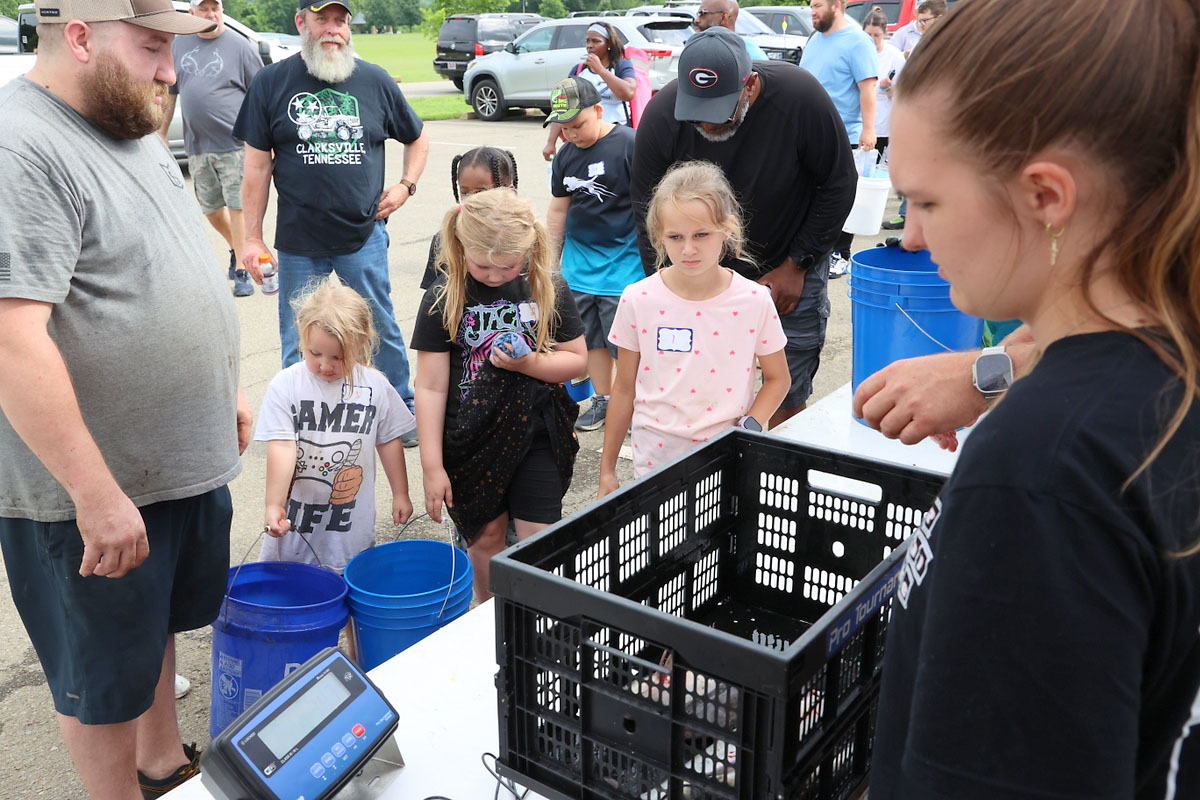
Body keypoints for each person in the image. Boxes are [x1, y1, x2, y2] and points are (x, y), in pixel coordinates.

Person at [868, 1, 1200, 797]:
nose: (912, 236)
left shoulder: (1042, 471)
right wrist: (991, 375)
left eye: (929, 202)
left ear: (1046, 196)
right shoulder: (1166, 362)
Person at [0, 1, 254, 798]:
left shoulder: (126, 119)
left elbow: (161, 261)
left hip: (169, 468)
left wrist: (225, 387)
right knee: (99, 676)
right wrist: (95, 493)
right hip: (91, 493)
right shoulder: (21, 146)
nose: (170, 69)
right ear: (79, 36)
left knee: (151, 639)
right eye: (151, 47)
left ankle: (160, 764)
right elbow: (12, 339)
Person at [631, 27, 858, 428]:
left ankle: (777, 464)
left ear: (750, 85)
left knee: (785, 384)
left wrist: (798, 264)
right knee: (698, 382)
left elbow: (838, 183)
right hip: (696, 269)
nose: (707, 123)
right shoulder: (662, 114)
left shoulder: (799, 97)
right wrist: (668, 284)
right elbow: (646, 208)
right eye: (697, 110)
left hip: (786, 266)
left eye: (719, 110)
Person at [235, 0, 429, 446]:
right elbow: (256, 169)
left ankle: (401, 406)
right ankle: (300, 415)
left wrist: (405, 186)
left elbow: (417, 137)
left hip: (363, 234)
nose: (333, 28)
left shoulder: (374, 80)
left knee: (377, 322)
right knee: (297, 331)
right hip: (299, 240)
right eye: (322, 18)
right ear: (301, 22)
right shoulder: (271, 82)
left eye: (340, 20)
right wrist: (250, 236)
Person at [411, 190, 587, 602]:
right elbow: (431, 385)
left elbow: (577, 360)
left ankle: (537, 620)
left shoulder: (546, 287)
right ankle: (490, 619)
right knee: (486, 534)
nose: (493, 275)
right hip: (468, 440)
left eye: (508, 266)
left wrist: (530, 365)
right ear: (459, 246)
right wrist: (431, 466)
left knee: (539, 537)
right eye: (482, 265)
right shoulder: (443, 295)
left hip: (536, 433)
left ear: (529, 249)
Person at [599, 161, 789, 495]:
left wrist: (751, 426)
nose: (688, 249)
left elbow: (778, 378)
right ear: (660, 236)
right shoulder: (637, 300)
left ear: (727, 228)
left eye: (701, 234)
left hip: (727, 459)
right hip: (654, 463)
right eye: (676, 236)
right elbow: (624, 388)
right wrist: (608, 471)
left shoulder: (755, 300)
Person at [257, 274, 414, 572]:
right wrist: (273, 503)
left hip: (349, 524)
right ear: (301, 332)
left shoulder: (374, 387)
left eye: (338, 357)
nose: (325, 365)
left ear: (362, 342)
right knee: (291, 589)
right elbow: (281, 445)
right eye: (315, 353)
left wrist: (401, 493)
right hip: (295, 522)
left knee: (346, 595)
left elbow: (389, 440)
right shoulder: (286, 385)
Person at [544, 77, 644, 433]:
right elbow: (558, 211)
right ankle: (604, 399)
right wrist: (551, 263)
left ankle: (632, 403)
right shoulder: (566, 155)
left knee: (626, 344)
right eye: (564, 127)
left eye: (578, 125)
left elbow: (650, 207)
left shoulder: (630, 144)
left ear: (599, 110)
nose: (571, 134)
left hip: (624, 268)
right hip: (579, 269)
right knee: (593, 340)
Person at [158, 0, 261, 297]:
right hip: (197, 144)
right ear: (192, 14)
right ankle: (236, 247)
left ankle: (242, 269)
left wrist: (264, 141)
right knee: (212, 209)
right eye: (204, 9)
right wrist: (161, 133)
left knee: (237, 207)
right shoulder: (180, 45)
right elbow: (170, 92)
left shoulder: (240, 47)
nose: (211, 14)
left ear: (222, 10)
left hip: (235, 145)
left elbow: (259, 95)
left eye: (215, 8)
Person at [800, 0, 878, 277]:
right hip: (809, 132)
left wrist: (868, 130)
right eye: (811, 5)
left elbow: (867, 87)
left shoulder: (858, 41)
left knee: (840, 196)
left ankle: (841, 254)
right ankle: (817, 250)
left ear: (837, 5)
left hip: (843, 133)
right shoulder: (815, 39)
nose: (812, 11)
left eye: (818, 5)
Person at [881, 0, 947, 231]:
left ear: (938, 19)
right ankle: (907, 214)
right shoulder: (916, 40)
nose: (919, 25)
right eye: (918, 20)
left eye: (924, 21)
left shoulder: (949, 44)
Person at [419, 146, 519, 291]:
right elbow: (433, 297)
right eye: (465, 192)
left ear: (508, 191)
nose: (471, 200)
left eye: (480, 192)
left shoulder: (522, 238)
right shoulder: (446, 239)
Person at [542, 21, 635, 160]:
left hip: (615, 134)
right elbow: (563, 107)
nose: (589, 46)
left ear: (609, 44)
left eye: (596, 41)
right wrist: (551, 142)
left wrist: (601, 71)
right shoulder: (579, 70)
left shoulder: (621, 65)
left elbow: (628, 93)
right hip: (585, 138)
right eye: (587, 41)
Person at [863, 7, 904, 164]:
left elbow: (901, 95)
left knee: (872, 163)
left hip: (882, 121)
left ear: (885, 33)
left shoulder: (895, 56)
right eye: (868, 35)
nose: (872, 39)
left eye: (877, 35)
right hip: (858, 119)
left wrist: (887, 87)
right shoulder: (858, 52)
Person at [694, 0, 769, 61]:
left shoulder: (752, 55)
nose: (696, 20)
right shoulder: (694, 49)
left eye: (702, 13)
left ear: (724, 17)